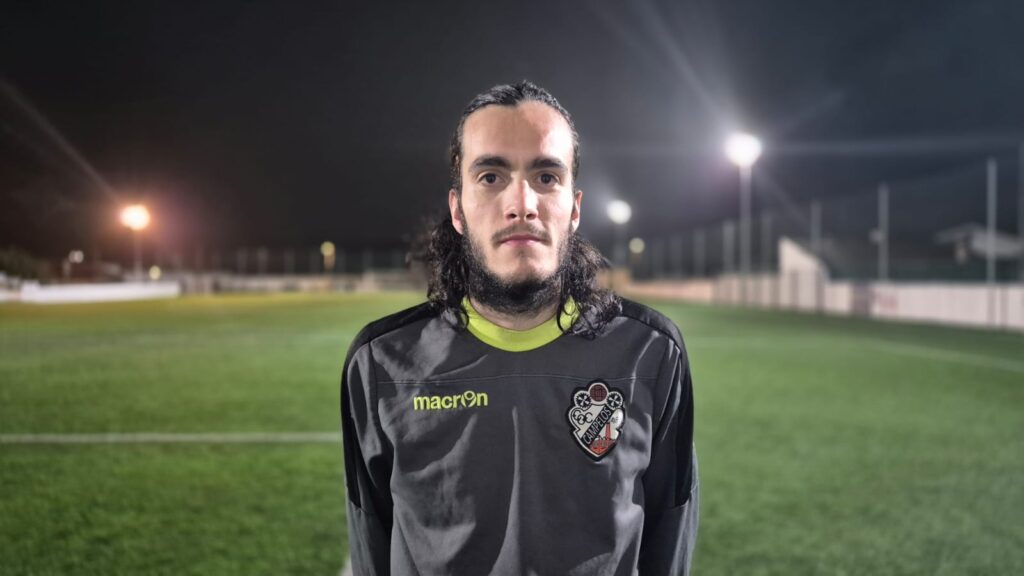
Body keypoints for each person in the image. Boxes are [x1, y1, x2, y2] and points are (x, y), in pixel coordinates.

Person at [340, 80, 698, 576]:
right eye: (490, 176)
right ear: (457, 210)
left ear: (574, 208)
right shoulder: (382, 363)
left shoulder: (650, 353)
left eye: (546, 176)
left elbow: (669, 541)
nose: (522, 202)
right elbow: (371, 543)